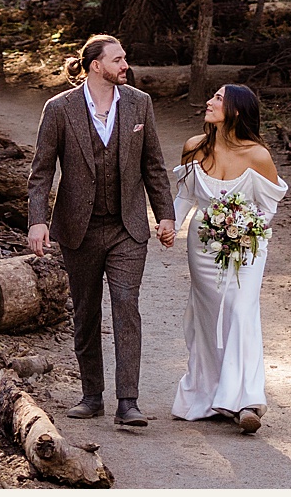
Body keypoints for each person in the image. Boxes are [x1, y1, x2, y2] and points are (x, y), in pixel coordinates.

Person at [26, 34, 177, 427]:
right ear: (97, 66)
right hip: (80, 229)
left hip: (128, 227)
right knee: (86, 312)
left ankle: (128, 401)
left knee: (127, 307)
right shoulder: (59, 109)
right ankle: (92, 395)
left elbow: (154, 166)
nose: (126, 64)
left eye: (125, 58)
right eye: (119, 59)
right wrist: (37, 220)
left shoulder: (140, 104)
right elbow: (41, 171)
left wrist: (165, 215)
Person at [170, 82, 287, 432]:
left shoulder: (257, 156)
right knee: (208, 319)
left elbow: (267, 209)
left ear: (235, 110)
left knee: (240, 310)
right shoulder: (194, 148)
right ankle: (208, 395)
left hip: (246, 247)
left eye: (218, 98)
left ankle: (247, 401)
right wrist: (168, 226)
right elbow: (186, 198)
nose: (209, 101)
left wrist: (241, 228)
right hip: (202, 246)